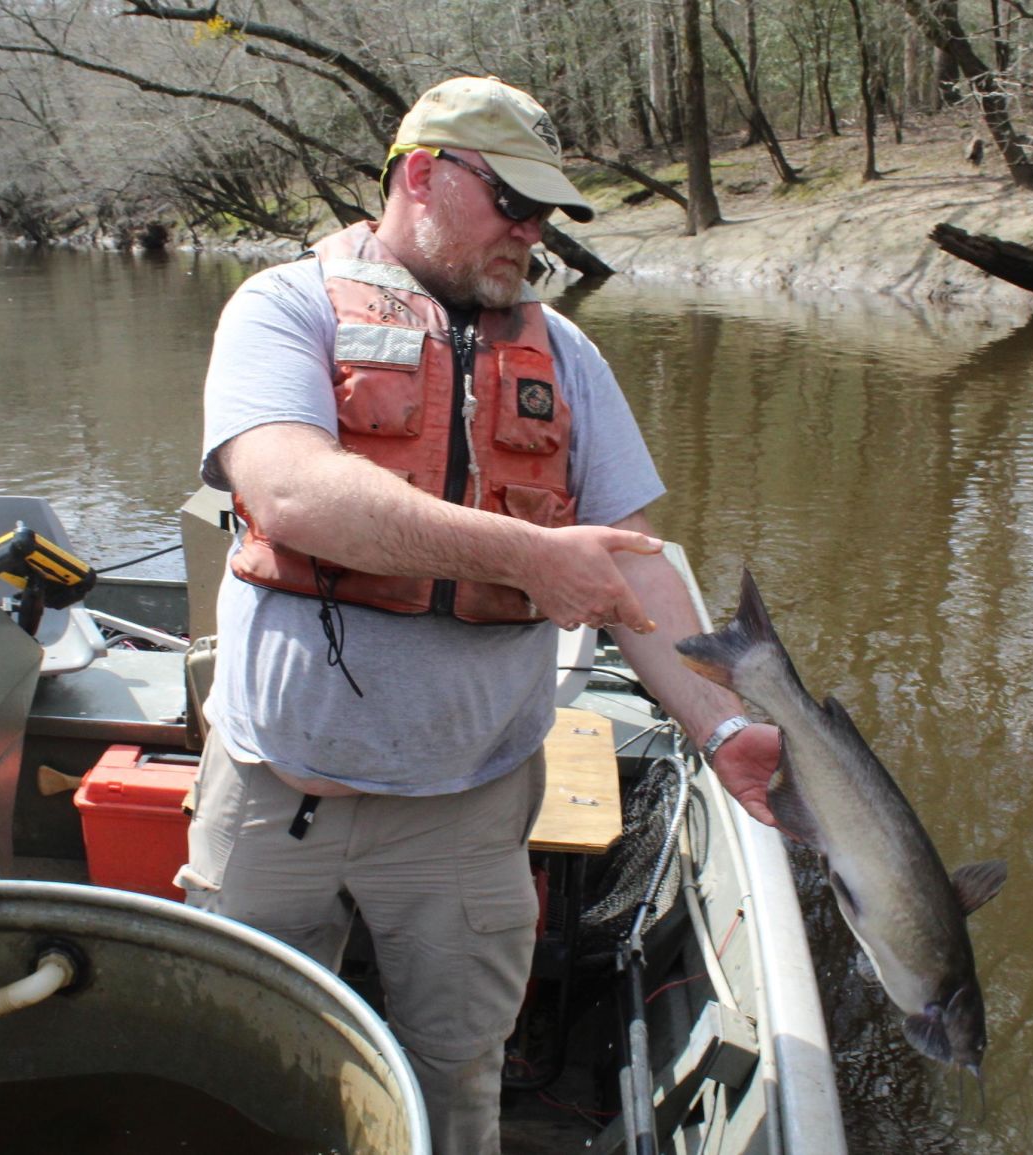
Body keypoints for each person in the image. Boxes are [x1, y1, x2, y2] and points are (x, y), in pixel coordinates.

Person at [181, 75, 780, 1155]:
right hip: (276, 798)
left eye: (547, 214)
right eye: (512, 201)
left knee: (454, 1078)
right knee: (243, 1067)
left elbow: (630, 572)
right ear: (421, 174)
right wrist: (524, 555)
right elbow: (292, 494)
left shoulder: (566, 356)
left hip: (467, 810)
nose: (532, 232)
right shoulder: (285, 306)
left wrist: (723, 730)